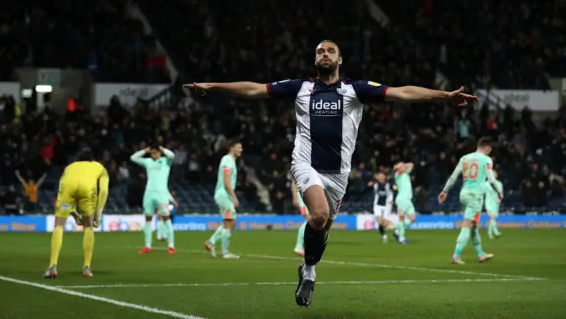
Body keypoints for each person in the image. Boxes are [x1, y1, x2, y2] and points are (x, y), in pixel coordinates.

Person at [184, 39, 478, 307]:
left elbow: (402, 93)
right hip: (305, 164)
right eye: (320, 51)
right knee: (320, 215)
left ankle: (307, 268)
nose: (325, 54)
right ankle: (310, 273)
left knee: (323, 229)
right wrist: (213, 86)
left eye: (330, 51)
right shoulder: (300, 87)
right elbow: (254, 89)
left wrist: (444, 96)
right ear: (315, 60)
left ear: (340, 60)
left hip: (338, 174)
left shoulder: (355, 89)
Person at [44, 148, 109, 278]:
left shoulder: (69, 167)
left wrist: (74, 214)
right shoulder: (99, 167)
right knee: (88, 227)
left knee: (59, 226)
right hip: (87, 190)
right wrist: (99, 213)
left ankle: (52, 266)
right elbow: (103, 191)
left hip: (68, 190)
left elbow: (63, 190)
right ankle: (86, 267)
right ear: (92, 159)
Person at [438, 137, 503, 264]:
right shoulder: (486, 160)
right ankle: (456, 255)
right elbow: (491, 179)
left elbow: (453, 176)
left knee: (473, 226)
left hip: (463, 194)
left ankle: (480, 253)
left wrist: (444, 191)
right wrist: (499, 191)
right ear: (487, 148)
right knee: (468, 224)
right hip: (475, 196)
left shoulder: (464, 158)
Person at [130, 145, 177, 255]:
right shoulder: (148, 162)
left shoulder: (166, 161)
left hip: (161, 194)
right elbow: (133, 158)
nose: (153, 155)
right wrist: (144, 151)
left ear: (160, 153)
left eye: (155, 152)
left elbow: (172, 155)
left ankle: (171, 246)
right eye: (152, 153)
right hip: (149, 193)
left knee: (166, 218)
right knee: (148, 218)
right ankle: (147, 246)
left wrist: (162, 148)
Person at [203, 141, 242, 259]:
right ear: (231, 148)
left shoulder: (229, 161)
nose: (241, 150)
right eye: (238, 147)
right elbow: (226, 181)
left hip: (224, 195)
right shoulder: (228, 161)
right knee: (229, 222)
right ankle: (224, 252)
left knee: (230, 223)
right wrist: (234, 197)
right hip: (224, 194)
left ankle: (211, 242)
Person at [393, 162, 416, 244]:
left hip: (408, 200)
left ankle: (397, 230)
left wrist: (403, 165)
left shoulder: (406, 173)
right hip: (402, 199)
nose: (404, 168)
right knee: (401, 218)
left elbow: (411, 164)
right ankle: (401, 238)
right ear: (399, 169)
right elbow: (398, 168)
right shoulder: (397, 175)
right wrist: (399, 166)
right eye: (402, 167)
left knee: (412, 219)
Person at [369, 171, 394, 243]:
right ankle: (384, 236)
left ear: (384, 177)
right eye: (379, 176)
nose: (380, 177)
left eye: (382, 176)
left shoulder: (389, 184)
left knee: (385, 224)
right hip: (377, 205)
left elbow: (393, 191)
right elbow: (369, 185)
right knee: (380, 222)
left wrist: (391, 200)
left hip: (387, 205)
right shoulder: (375, 184)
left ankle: (394, 229)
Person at [291, 180, 309, 256]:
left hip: (311, 195)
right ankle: (299, 246)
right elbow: (293, 182)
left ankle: (306, 246)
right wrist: (295, 197)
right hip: (302, 196)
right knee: (310, 220)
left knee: (313, 221)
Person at [485, 170, 503, 239]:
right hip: (488, 203)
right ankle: (494, 231)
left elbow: (501, 193)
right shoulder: (486, 184)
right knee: (492, 217)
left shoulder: (499, 184)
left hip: (496, 203)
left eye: (495, 173)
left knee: (493, 218)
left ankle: (491, 233)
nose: (493, 174)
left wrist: (500, 199)